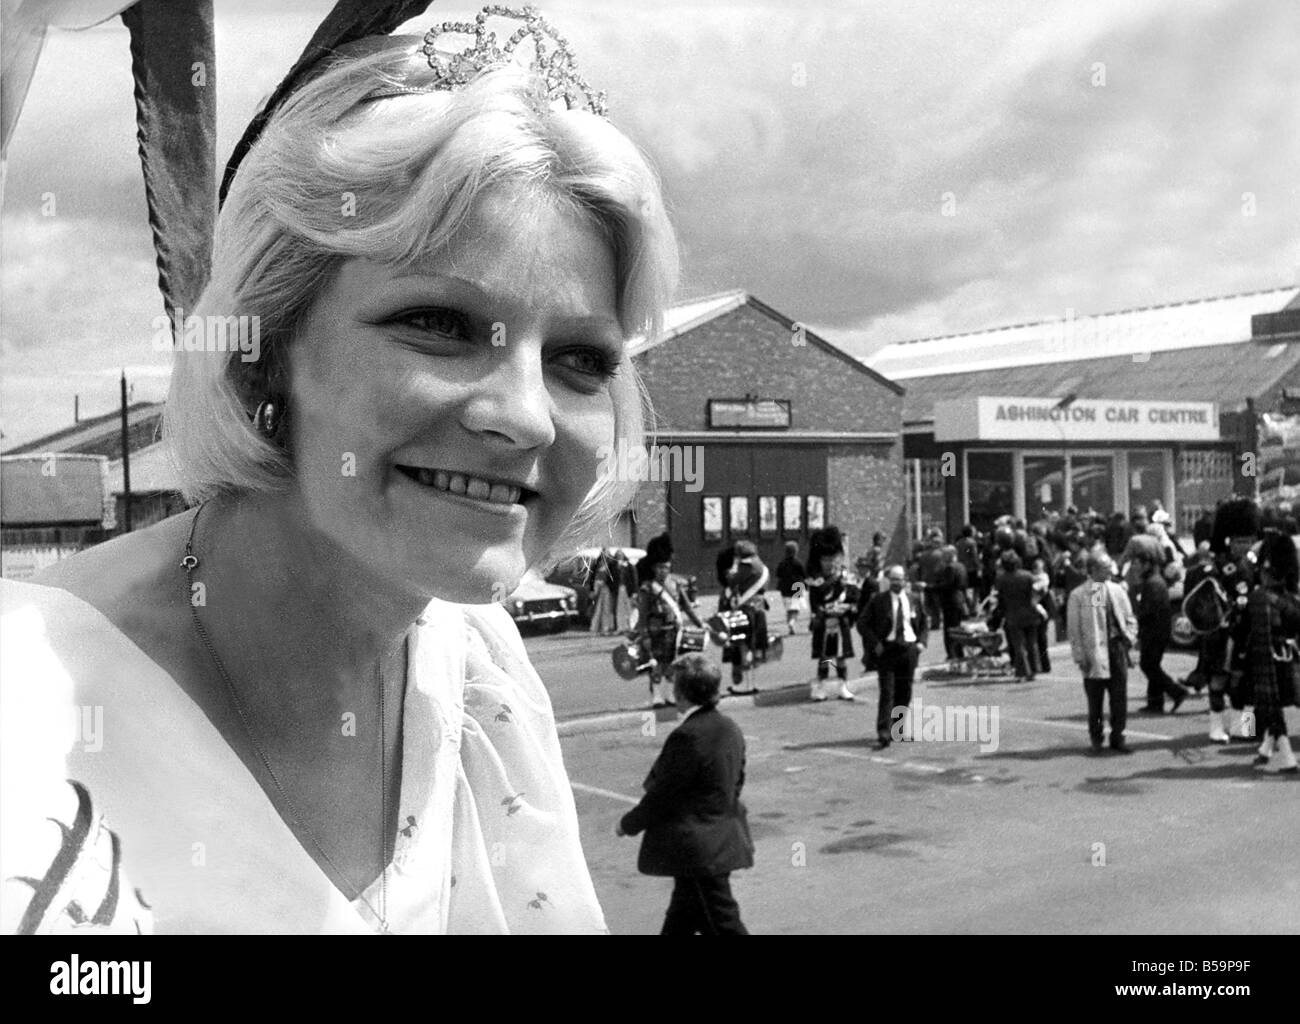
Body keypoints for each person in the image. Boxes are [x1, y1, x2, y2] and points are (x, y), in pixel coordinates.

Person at [0, 7, 679, 934]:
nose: (522, 415)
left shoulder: (481, 680)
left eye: (582, 359)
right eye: (436, 324)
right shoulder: (24, 710)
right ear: (263, 350)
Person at [616, 654, 754, 935]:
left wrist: (628, 824)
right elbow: (736, 781)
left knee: (723, 925)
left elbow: (664, 793)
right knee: (682, 919)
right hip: (718, 840)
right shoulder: (730, 728)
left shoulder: (687, 736)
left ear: (681, 694)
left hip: (699, 851)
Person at [1184, 497, 1260, 743]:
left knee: (1246, 682)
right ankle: (1216, 727)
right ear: (1229, 540)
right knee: (1218, 679)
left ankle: (1244, 728)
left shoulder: (1253, 564)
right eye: (1240, 541)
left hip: (1247, 630)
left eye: (1248, 541)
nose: (1245, 545)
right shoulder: (1217, 565)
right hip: (1223, 631)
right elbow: (1204, 594)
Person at [1067, 552, 1138, 754]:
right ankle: (1096, 738)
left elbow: (1129, 617)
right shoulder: (1079, 595)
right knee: (1095, 700)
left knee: (1119, 697)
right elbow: (1075, 630)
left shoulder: (1117, 590)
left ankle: (1118, 736)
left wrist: (1130, 638)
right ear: (1093, 570)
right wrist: (1080, 656)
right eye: (1105, 567)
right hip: (1094, 653)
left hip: (1116, 650)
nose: (1110, 570)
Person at [1245, 533, 1300, 773]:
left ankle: (1288, 760)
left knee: (1268, 709)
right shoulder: (1291, 599)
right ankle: (1264, 750)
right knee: (1270, 708)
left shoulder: (1258, 598)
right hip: (1287, 658)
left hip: (1263, 659)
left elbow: (1242, 632)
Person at [859, 565, 928, 749]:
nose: (897, 582)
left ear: (906, 581)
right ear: (888, 580)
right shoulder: (878, 600)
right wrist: (876, 644)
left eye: (900, 579)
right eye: (894, 579)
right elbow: (862, 624)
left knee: (904, 692)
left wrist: (921, 642)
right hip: (887, 650)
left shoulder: (914, 599)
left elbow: (924, 622)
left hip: (908, 649)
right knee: (887, 692)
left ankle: (897, 730)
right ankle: (883, 732)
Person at [634, 556, 709, 709]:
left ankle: (669, 695)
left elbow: (687, 607)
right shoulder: (647, 588)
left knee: (673, 664)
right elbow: (642, 614)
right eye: (660, 567)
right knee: (656, 664)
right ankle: (656, 696)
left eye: (666, 567)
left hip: (673, 631)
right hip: (655, 632)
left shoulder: (675, 585)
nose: (663, 571)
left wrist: (700, 624)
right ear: (654, 569)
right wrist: (645, 635)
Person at [1130, 549, 1190, 714]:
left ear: (1146, 564)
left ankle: (1176, 691)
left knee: (1148, 665)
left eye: (1136, 563)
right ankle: (1155, 702)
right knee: (1152, 665)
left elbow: (1150, 610)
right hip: (1154, 631)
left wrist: (1136, 618)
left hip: (1155, 632)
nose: (1134, 567)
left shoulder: (1154, 583)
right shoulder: (1151, 581)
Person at [805, 527, 859, 702]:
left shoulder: (845, 578)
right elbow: (814, 605)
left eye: (832, 559)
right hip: (825, 624)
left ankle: (842, 686)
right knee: (824, 658)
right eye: (825, 559)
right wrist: (824, 612)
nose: (829, 563)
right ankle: (820, 686)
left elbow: (853, 598)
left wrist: (846, 608)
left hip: (841, 622)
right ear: (819, 560)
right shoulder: (817, 582)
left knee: (841, 658)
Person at [720, 540, 770, 696]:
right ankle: (750, 682)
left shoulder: (746, 566)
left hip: (746, 610)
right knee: (752, 645)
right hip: (758, 609)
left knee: (742, 645)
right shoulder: (760, 565)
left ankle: (743, 685)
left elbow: (732, 580)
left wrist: (732, 570)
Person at [991, 550, 1042, 681]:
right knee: (1032, 643)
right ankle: (1034, 669)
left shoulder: (1001, 579)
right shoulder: (1027, 575)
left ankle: (1023, 671)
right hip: (1030, 612)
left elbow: (999, 598)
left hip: (1013, 614)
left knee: (1018, 645)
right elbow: (1035, 593)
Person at [1029, 556, 1056, 673]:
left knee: (1041, 639)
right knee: (1040, 639)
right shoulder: (1036, 579)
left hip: (1042, 612)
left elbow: (1035, 588)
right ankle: (1042, 665)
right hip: (1040, 611)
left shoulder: (1043, 578)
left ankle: (1044, 665)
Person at [775, 540, 806, 636]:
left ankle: (789, 623)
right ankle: (792, 622)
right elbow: (804, 574)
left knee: (788, 608)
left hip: (785, 588)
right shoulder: (798, 563)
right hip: (797, 586)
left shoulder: (782, 563)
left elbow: (778, 574)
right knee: (796, 608)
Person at [587, 547, 619, 635]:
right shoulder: (596, 564)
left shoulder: (612, 565)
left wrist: (612, 588)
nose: (605, 555)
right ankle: (596, 628)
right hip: (597, 588)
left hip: (606, 589)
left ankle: (606, 628)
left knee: (606, 608)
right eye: (604, 554)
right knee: (596, 609)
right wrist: (592, 590)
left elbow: (614, 578)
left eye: (607, 554)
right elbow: (592, 578)